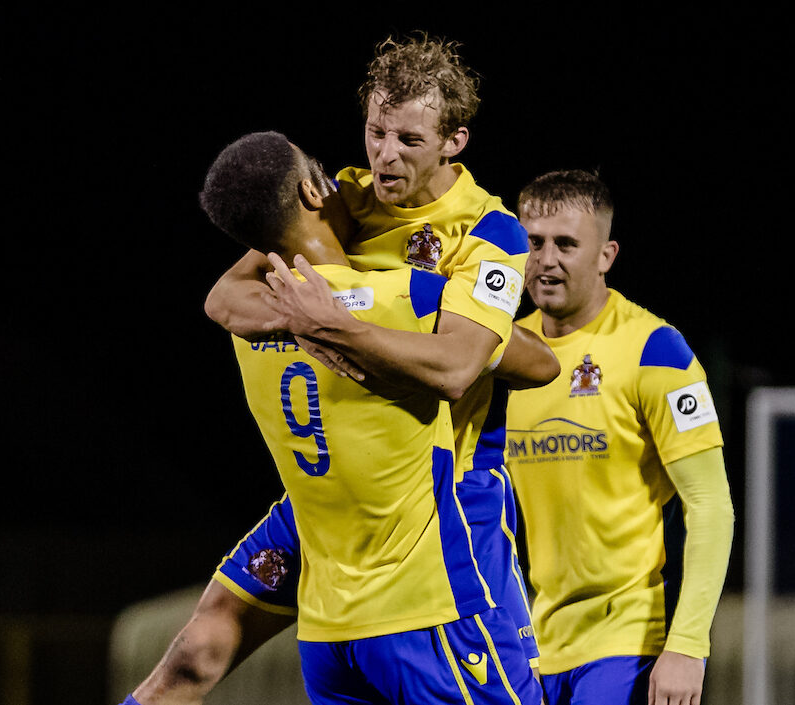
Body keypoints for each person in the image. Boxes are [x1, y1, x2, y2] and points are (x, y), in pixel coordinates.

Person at [121, 131, 543, 705]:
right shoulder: (410, 299)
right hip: (425, 601)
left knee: (206, 634)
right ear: (312, 191)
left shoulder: (249, 322)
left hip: (326, 619)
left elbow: (220, 298)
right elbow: (535, 362)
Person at [204, 33, 556, 672]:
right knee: (205, 637)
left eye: (409, 141)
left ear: (455, 142)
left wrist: (342, 323)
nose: (385, 157)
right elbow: (225, 300)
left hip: (444, 496)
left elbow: (456, 366)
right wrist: (310, 324)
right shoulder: (343, 198)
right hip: (347, 482)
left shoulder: (489, 231)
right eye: (375, 133)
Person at [504, 169, 735, 705]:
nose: (546, 260)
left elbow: (711, 505)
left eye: (566, 244)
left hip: (627, 644)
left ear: (606, 255)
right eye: (533, 243)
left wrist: (687, 645)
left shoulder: (656, 350)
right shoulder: (499, 351)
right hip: (529, 647)